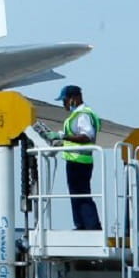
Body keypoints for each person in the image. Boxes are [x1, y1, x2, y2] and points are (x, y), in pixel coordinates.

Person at [46, 84, 103, 231]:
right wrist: (61, 141)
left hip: (79, 161)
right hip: (76, 160)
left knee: (81, 195)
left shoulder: (82, 114)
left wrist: (63, 136)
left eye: (65, 100)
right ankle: (82, 224)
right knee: (77, 195)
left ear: (74, 98)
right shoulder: (79, 114)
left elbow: (87, 136)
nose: (64, 104)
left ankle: (91, 226)